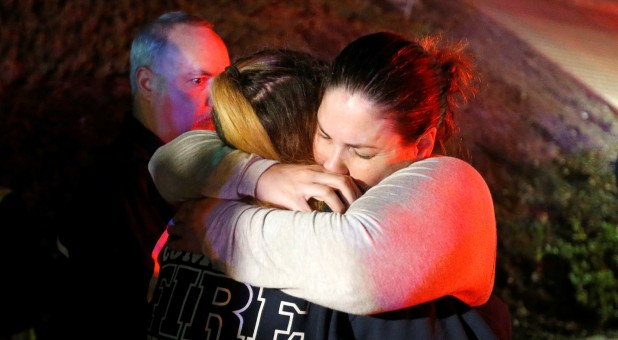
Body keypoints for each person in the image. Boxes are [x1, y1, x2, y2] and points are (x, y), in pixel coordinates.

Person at [150, 32, 511, 338]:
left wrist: (213, 225)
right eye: (322, 134)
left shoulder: (449, 187)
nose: (331, 163)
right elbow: (165, 164)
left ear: (421, 146)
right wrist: (260, 175)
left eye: (363, 152)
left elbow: (358, 262)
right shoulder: (272, 188)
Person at [52, 11, 230, 338]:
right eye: (198, 81)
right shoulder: (114, 191)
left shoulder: (199, 168)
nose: (218, 99)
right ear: (147, 83)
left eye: (225, 82)